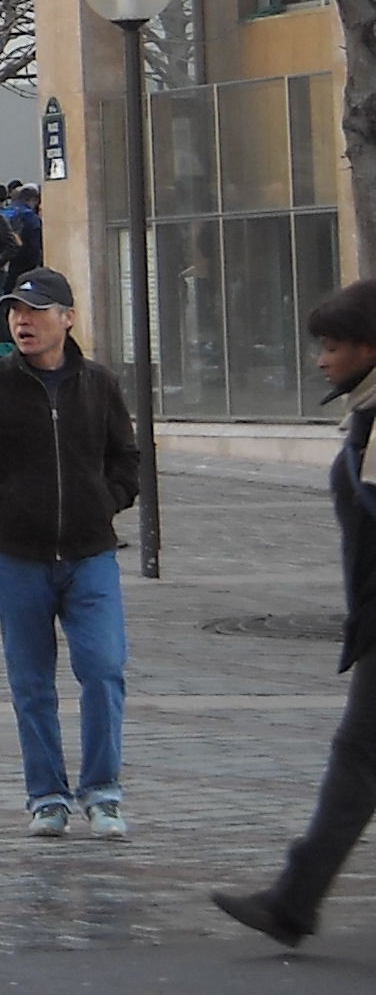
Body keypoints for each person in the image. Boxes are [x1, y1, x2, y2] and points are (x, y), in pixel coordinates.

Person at [0, 266, 138, 840]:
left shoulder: (98, 384)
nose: (23, 322)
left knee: (104, 669)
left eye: (36, 311)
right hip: (18, 557)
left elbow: (127, 458)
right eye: (16, 312)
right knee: (32, 683)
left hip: (90, 554)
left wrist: (109, 499)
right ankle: (47, 797)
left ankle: (102, 792)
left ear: (67, 319)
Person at [216, 279, 376, 946]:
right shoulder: (365, 413)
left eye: (333, 346)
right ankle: (293, 900)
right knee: (359, 760)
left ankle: (293, 902)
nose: (321, 359)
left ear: (369, 348)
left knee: (358, 758)